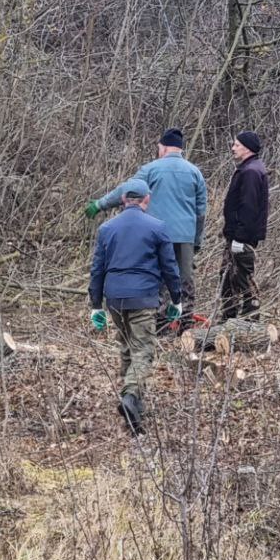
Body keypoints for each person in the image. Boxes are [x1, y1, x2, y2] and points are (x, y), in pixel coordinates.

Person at [85, 128, 207, 329]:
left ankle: (158, 324)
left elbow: (127, 191)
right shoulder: (195, 172)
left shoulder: (150, 169)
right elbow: (201, 211)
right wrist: (196, 240)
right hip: (185, 234)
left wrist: (99, 205)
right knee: (184, 279)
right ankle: (185, 324)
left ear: (164, 147)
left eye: (159, 147)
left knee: (156, 276)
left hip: (155, 233)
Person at [88, 180, 182, 436]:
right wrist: (177, 299)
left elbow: (97, 269)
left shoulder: (107, 228)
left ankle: (133, 411)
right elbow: (170, 268)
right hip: (143, 297)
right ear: (146, 200)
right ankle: (130, 396)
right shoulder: (158, 228)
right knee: (143, 350)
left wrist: (95, 305)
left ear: (122, 199)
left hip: (115, 298)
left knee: (127, 347)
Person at [220, 131, 269, 321]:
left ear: (247, 148)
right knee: (227, 277)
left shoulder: (251, 172)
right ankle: (229, 317)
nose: (233, 148)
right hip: (237, 235)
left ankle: (251, 317)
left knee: (242, 277)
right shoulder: (249, 169)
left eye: (236, 145)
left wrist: (240, 238)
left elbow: (248, 207)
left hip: (243, 237)